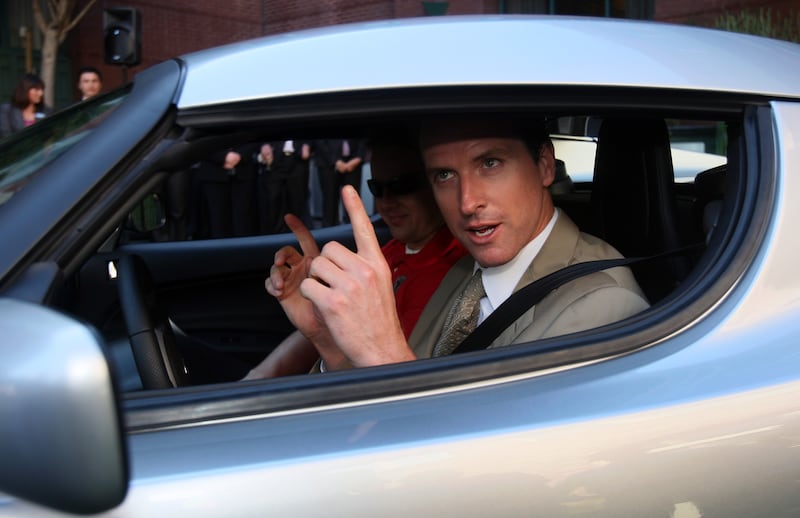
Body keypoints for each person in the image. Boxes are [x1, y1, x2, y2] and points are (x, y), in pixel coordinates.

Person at [265, 115, 650, 372]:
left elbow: (503, 478)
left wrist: (381, 353)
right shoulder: (468, 271)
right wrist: (331, 342)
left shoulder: (604, 305)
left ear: (545, 165)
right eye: (445, 175)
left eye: (490, 164)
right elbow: (399, 385)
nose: (467, 202)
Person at [243, 138, 468, 379]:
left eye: (403, 185)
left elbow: (407, 386)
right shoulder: (385, 254)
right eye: (377, 189)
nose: (387, 201)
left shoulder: (462, 270)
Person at [313, 139, 366, 226]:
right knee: (329, 200)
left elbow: (364, 141)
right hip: (327, 163)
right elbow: (320, 142)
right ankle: (329, 232)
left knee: (353, 199)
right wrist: (335, 161)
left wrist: (358, 158)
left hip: (353, 162)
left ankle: (354, 229)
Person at [0, 73, 51, 138]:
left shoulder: (47, 111)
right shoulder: (6, 111)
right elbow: (5, 136)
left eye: (42, 89)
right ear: (25, 90)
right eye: (36, 89)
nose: (41, 93)